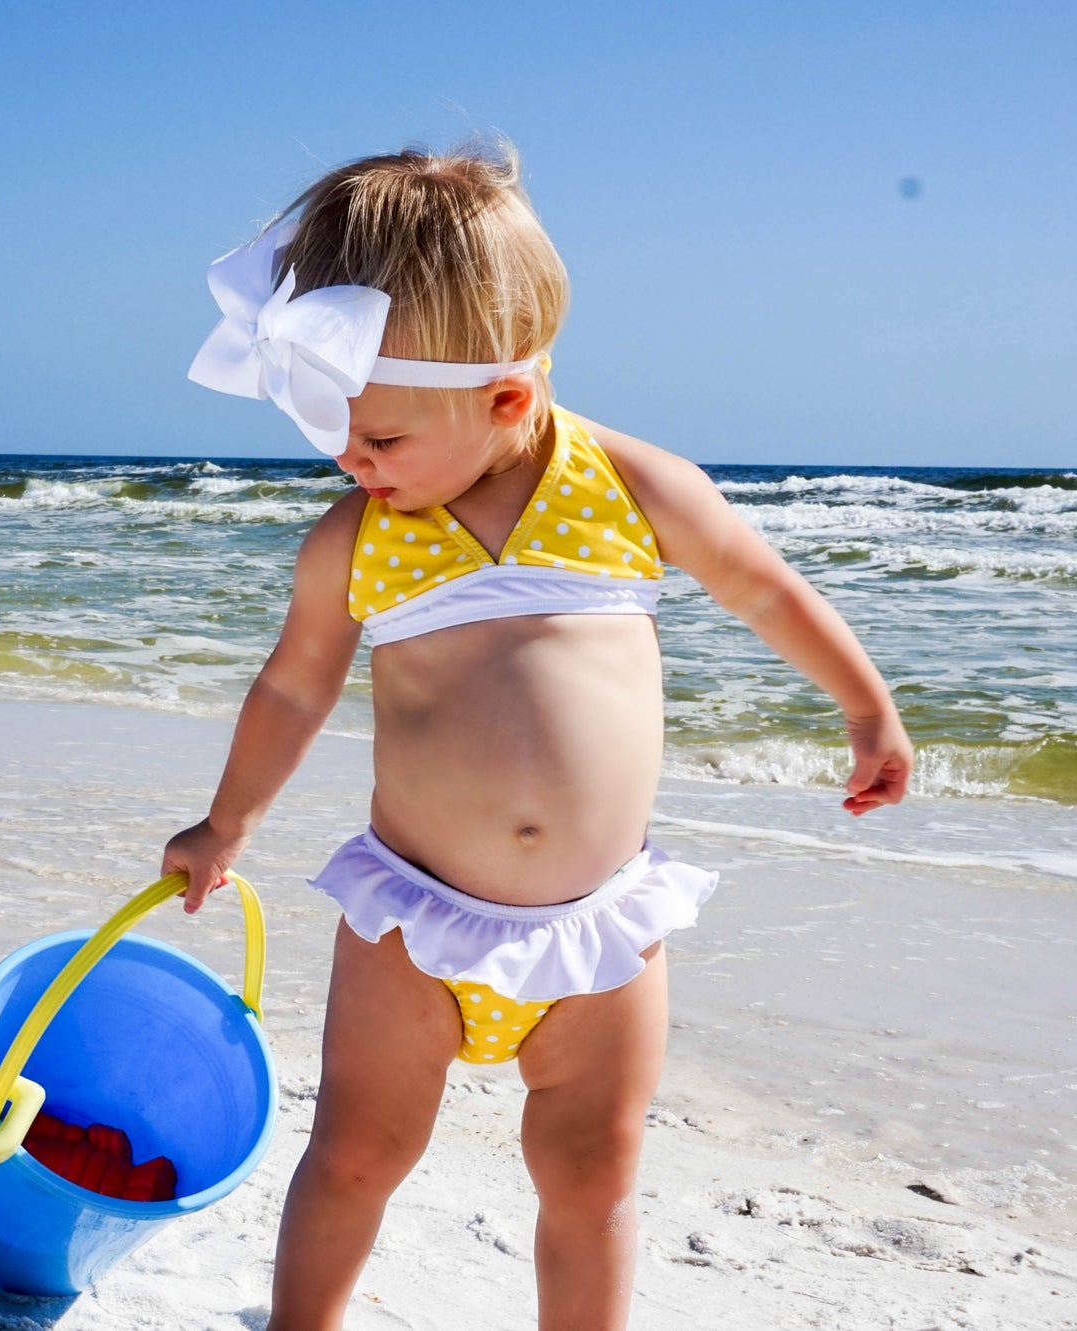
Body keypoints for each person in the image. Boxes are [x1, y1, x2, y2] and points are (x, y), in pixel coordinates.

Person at [163, 143, 913, 1331]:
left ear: (509, 397)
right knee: (356, 1151)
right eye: (333, 436)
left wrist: (864, 707)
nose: (352, 462)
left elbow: (762, 589)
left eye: (381, 440)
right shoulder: (354, 537)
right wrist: (226, 821)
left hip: (600, 927)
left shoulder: (629, 486)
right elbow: (295, 687)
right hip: (411, 917)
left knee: (591, 1172)